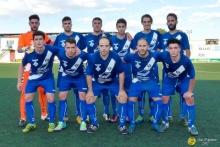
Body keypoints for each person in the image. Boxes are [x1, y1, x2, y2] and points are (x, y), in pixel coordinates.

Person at [17, 31, 59, 133]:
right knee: (27, 98)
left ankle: (52, 122)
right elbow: (22, 66)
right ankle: (31, 123)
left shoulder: (51, 49)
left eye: (41, 39)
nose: (39, 41)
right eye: (36, 40)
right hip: (33, 78)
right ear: (33, 42)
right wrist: (19, 82)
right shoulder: (29, 52)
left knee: (51, 97)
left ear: (44, 41)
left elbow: (64, 52)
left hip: (47, 78)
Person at [85, 36, 128, 134]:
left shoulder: (115, 56)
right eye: (101, 46)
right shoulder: (93, 57)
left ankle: (122, 125)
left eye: (106, 46)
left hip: (112, 82)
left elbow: (121, 73)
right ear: (98, 47)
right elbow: (88, 74)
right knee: (89, 98)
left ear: (110, 47)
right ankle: (95, 124)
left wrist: (121, 90)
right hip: (98, 82)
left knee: (123, 98)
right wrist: (90, 90)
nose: (104, 48)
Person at [17, 14, 53, 127]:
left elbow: (51, 44)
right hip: (28, 68)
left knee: (43, 92)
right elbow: (18, 49)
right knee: (25, 93)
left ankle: (44, 113)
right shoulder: (24, 36)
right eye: (32, 22)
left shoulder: (43, 35)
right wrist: (28, 48)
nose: (34, 24)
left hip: (42, 69)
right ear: (29, 23)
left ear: (39, 23)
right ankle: (23, 117)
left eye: (36, 22)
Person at [157, 38, 198, 136]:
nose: (173, 50)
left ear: (180, 49)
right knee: (164, 99)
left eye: (175, 48)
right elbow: (151, 55)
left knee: (190, 99)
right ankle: (165, 122)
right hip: (169, 79)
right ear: (168, 49)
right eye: (171, 48)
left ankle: (191, 125)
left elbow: (193, 77)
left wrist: (189, 91)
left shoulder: (186, 61)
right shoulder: (164, 56)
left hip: (183, 80)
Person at [123, 38, 164, 133]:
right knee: (130, 103)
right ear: (136, 47)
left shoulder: (155, 55)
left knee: (160, 103)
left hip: (150, 81)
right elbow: (122, 61)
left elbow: (168, 57)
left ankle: (155, 123)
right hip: (137, 82)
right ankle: (132, 124)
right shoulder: (131, 56)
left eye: (144, 46)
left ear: (148, 47)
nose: (142, 48)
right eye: (140, 46)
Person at [158, 13, 191, 126]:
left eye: (173, 20)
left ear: (176, 22)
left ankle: (182, 117)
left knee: (184, 94)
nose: (171, 22)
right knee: (167, 94)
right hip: (167, 71)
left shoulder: (182, 35)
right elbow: (159, 51)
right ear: (166, 22)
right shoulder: (163, 36)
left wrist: (184, 65)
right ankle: (168, 116)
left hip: (181, 71)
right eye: (169, 20)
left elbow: (187, 51)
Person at [53, 16, 86, 124]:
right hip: (64, 70)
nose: (67, 25)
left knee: (79, 93)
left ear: (71, 24)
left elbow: (87, 45)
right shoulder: (59, 37)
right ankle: (64, 115)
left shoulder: (78, 36)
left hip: (77, 68)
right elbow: (54, 50)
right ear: (62, 25)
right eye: (65, 23)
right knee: (63, 94)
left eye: (69, 23)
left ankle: (79, 115)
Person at [54, 37, 89, 131]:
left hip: (80, 77)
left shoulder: (82, 54)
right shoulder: (60, 52)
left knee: (82, 96)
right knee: (62, 96)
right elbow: (46, 47)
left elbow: (94, 58)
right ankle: (62, 121)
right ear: (64, 47)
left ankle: (83, 121)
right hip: (66, 76)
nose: (70, 50)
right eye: (68, 47)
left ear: (76, 47)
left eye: (73, 47)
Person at [131, 14, 161, 124]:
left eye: (149, 21)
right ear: (142, 23)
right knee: (140, 92)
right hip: (139, 66)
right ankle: (141, 114)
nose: (147, 23)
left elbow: (161, 46)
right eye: (145, 21)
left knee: (153, 91)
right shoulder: (138, 35)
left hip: (152, 67)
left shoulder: (157, 33)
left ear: (151, 22)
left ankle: (152, 115)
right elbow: (134, 49)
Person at [84, 17, 113, 122]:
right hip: (92, 67)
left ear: (101, 24)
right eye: (95, 23)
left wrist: (127, 33)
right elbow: (78, 48)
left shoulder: (107, 36)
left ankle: (106, 113)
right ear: (92, 25)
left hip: (104, 67)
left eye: (98, 23)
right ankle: (88, 114)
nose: (97, 25)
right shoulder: (87, 37)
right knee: (90, 90)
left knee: (105, 91)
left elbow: (119, 36)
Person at [110, 18, 133, 122]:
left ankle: (127, 114)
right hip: (114, 68)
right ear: (116, 27)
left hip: (127, 68)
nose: (121, 28)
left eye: (123, 26)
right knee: (115, 91)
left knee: (126, 91)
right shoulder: (111, 38)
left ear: (125, 27)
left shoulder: (129, 39)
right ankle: (116, 114)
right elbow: (101, 35)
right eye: (119, 26)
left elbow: (137, 49)